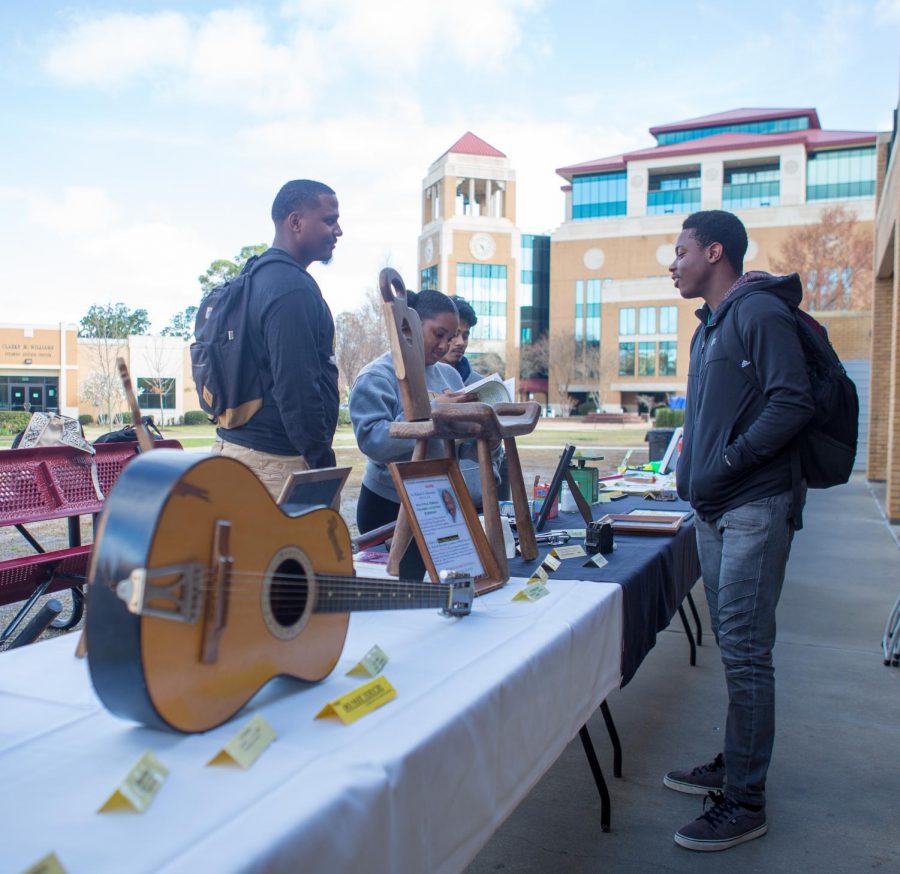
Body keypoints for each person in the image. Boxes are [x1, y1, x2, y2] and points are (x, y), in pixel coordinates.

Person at [666, 210, 814, 851]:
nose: (671, 264)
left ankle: (745, 801)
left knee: (749, 651)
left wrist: (725, 463)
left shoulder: (758, 313)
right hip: (714, 508)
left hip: (753, 503)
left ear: (715, 251)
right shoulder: (710, 328)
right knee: (734, 644)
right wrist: (691, 476)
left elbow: (793, 401)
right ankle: (737, 758)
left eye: (680, 251)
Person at [349, 289, 500, 580]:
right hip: (388, 503)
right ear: (410, 326)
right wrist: (432, 411)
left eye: (453, 336)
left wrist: (486, 441)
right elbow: (372, 441)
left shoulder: (450, 377)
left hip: (438, 502)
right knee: (401, 591)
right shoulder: (377, 376)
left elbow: (459, 445)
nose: (446, 345)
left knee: (439, 584)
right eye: (439, 334)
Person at [211, 179, 342, 499]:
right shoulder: (292, 289)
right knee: (299, 551)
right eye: (329, 220)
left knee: (245, 551)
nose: (338, 231)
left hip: (232, 454)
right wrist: (322, 461)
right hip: (276, 465)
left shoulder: (254, 276)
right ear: (295, 222)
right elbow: (296, 388)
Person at [442, 296, 511, 501]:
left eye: (466, 335)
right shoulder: (422, 381)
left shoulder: (482, 384)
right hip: (440, 498)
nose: (460, 342)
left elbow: (496, 454)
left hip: (481, 497)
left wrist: (495, 441)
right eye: (454, 335)